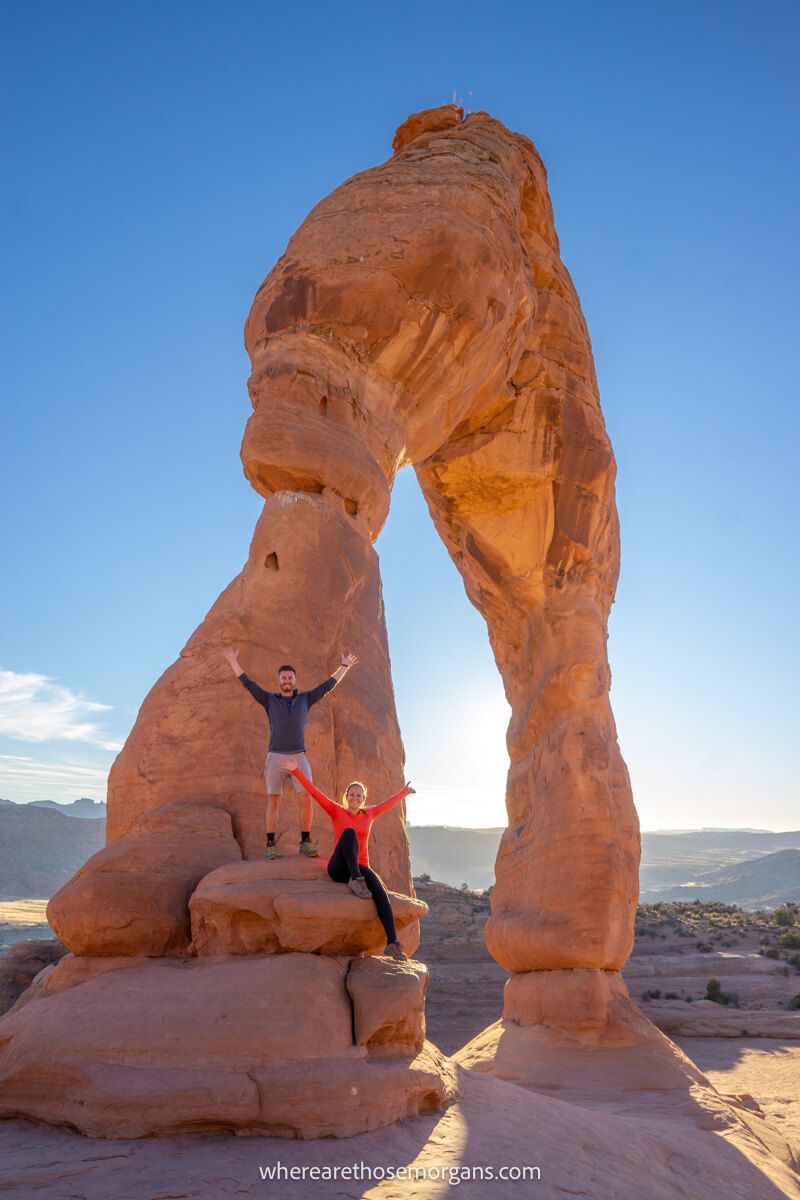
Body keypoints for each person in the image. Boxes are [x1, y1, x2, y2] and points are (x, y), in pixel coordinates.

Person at [223, 646, 358, 859]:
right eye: (284, 677)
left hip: (298, 756)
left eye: (290, 677)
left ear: (295, 680)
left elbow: (327, 686)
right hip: (276, 755)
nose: (287, 680)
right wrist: (233, 661)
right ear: (279, 681)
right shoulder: (269, 700)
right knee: (274, 800)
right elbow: (248, 684)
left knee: (307, 797)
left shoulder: (305, 699)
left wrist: (344, 667)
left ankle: (305, 842)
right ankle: (270, 845)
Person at [278, 755, 414, 961]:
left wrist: (404, 792)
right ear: (346, 796)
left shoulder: (369, 814)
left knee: (381, 894)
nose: (355, 798)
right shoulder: (336, 811)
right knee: (349, 834)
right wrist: (296, 771)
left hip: (361, 867)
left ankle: (392, 944)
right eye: (352, 794)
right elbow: (315, 793)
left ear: (363, 799)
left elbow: (387, 804)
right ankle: (356, 881)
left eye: (359, 795)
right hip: (339, 868)